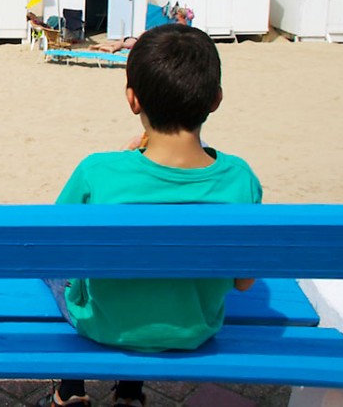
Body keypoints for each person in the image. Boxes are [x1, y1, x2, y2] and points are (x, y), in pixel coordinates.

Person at [41, 23, 262, 407]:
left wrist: (126, 163)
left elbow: (56, 246)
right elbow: (243, 284)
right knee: (158, 277)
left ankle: (70, 390)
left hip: (105, 325)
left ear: (133, 100)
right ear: (215, 99)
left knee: (57, 273)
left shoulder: (98, 171)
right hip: (194, 329)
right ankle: (128, 393)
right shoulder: (241, 179)